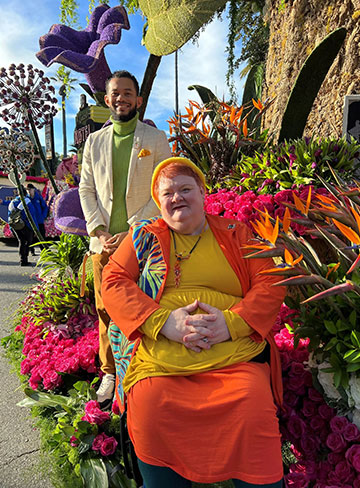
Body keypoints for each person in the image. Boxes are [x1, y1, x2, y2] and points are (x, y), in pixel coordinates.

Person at [101, 157, 286, 488]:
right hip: (161, 360)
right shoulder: (143, 237)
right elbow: (114, 280)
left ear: (202, 192)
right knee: (151, 405)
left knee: (252, 404)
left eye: (186, 189)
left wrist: (232, 323)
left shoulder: (236, 233)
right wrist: (162, 322)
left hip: (234, 357)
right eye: (167, 193)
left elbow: (272, 280)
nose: (177, 198)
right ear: (158, 203)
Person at [79, 70, 171, 408]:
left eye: (128, 93)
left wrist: (132, 228)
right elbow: (85, 189)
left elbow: (163, 188)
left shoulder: (156, 138)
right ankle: (109, 372)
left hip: (141, 240)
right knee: (106, 310)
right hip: (103, 244)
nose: (122, 98)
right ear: (107, 100)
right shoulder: (94, 142)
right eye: (116, 93)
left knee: (145, 305)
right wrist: (99, 231)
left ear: (139, 99)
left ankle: (143, 369)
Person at [5, 187, 38, 266]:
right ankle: (25, 259)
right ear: (25, 193)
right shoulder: (27, 201)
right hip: (26, 225)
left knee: (21, 241)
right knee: (28, 242)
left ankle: (22, 259)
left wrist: (11, 228)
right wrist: (35, 228)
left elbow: (10, 216)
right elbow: (32, 215)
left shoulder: (13, 202)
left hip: (16, 225)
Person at [26, 183, 48, 253]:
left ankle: (43, 251)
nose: (29, 191)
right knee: (30, 237)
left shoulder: (38, 197)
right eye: (27, 190)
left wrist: (43, 216)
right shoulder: (26, 199)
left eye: (30, 190)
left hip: (39, 220)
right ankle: (32, 250)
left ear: (33, 189)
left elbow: (45, 207)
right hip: (31, 221)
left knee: (42, 236)